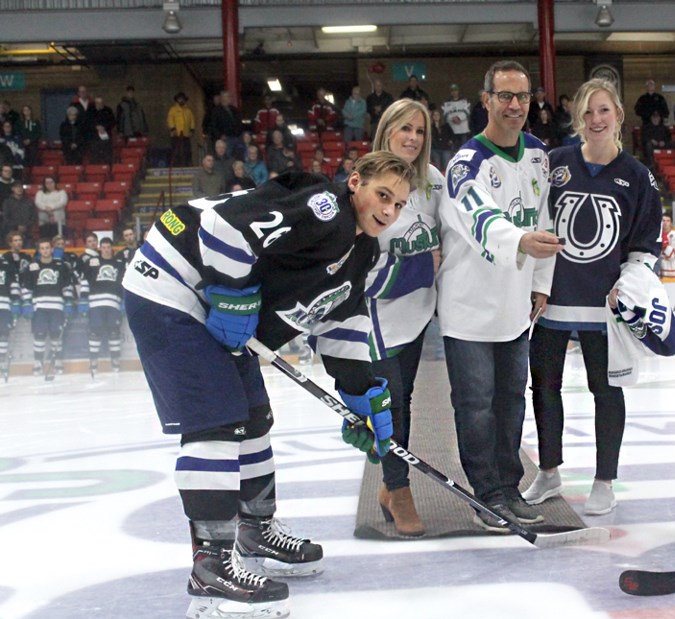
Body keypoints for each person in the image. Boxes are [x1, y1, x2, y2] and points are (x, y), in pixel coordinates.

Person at [121, 151, 416, 618]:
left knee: (254, 417)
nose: (389, 211)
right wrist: (235, 296)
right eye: (383, 196)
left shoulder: (363, 250)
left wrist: (361, 394)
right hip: (170, 287)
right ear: (355, 183)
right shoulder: (324, 207)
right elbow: (223, 226)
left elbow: (341, 322)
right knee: (216, 423)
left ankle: (255, 531)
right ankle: (210, 565)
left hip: (207, 304)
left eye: (400, 205)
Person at [524, 78, 674, 516]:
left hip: (604, 307)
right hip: (551, 300)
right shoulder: (556, 163)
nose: (595, 120)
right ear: (578, 119)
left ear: (619, 117)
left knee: (605, 391)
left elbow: (646, 246)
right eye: (588, 112)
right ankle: (549, 471)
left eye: (604, 110)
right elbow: (535, 221)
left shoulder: (638, 177)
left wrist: (627, 287)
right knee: (544, 387)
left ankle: (604, 479)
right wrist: (536, 282)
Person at [438, 60, 563, 532]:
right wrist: (520, 242)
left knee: (511, 401)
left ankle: (509, 486)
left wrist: (540, 282)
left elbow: (545, 219)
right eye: (505, 96)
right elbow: (479, 218)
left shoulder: (538, 154)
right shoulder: (466, 164)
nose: (515, 105)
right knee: (475, 406)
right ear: (485, 99)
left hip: (515, 307)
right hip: (469, 310)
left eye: (523, 97)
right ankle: (486, 494)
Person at [364, 98, 442, 538]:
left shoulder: (432, 181)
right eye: (404, 129)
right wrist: (422, 267)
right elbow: (361, 268)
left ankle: (391, 485)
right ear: (386, 131)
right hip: (378, 320)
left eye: (419, 130)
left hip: (418, 317)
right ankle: (400, 490)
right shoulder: (370, 182)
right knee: (391, 408)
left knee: (403, 401)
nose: (412, 137)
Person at [21, 237, 75, 376]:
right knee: (39, 335)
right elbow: (26, 287)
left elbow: (67, 286)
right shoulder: (32, 266)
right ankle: (38, 362)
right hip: (39, 306)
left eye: (47, 248)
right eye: (42, 248)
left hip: (57, 306)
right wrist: (27, 304)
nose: (45, 251)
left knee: (56, 335)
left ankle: (57, 361)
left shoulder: (61, 265)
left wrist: (68, 303)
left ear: (52, 249)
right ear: (39, 250)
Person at [77, 236, 125, 375]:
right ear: (100, 248)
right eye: (103, 247)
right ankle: (93, 361)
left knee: (114, 332)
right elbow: (85, 281)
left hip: (113, 303)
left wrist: (123, 301)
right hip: (95, 303)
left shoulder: (119, 263)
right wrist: (84, 301)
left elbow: (123, 283)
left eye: (108, 247)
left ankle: (115, 361)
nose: (106, 250)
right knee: (95, 332)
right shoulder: (93, 262)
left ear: (112, 248)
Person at [0, 232, 20, 380]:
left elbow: (13, 285)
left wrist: (16, 302)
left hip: (3, 305)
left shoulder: (6, 264)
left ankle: (1, 363)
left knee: (3, 335)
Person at [168, 92, 195, 167]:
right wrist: (172, 129)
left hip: (186, 134)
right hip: (176, 134)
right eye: (179, 99)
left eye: (182, 99)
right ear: (177, 100)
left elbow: (192, 121)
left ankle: (187, 164)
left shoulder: (188, 111)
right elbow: (170, 119)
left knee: (187, 151)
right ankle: (175, 165)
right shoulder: (173, 110)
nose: (181, 100)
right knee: (176, 151)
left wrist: (192, 130)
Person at [442, 84, 472, 151]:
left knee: (464, 149)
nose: (454, 92)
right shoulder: (447, 102)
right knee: (453, 150)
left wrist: (459, 118)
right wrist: (452, 118)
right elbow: (445, 114)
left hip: (463, 130)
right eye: (452, 91)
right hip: (452, 130)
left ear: (458, 91)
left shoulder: (464, 100)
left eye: (455, 90)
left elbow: (467, 112)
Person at [660, 214, 675, 278]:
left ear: (671, 223)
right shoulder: (656, 235)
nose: (665, 223)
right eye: (663, 220)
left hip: (672, 273)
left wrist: (664, 244)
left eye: (668, 221)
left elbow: (672, 255)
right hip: (659, 272)